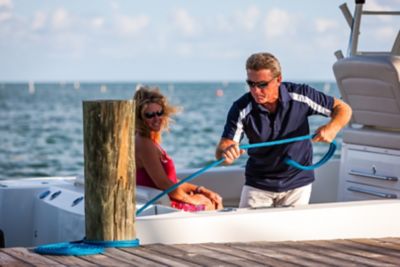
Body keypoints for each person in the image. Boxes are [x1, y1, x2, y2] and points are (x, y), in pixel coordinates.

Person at [216, 52, 352, 208]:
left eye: (262, 85)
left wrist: (332, 128)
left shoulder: (301, 95)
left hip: (297, 183)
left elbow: (343, 108)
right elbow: (222, 149)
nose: (256, 91)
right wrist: (227, 154)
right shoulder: (241, 108)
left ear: (278, 79)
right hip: (258, 184)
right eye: (251, 84)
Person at [134, 85, 223, 211]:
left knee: (210, 198)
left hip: (165, 200)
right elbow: (163, 183)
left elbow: (171, 180)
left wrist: (200, 190)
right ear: (140, 118)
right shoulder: (144, 143)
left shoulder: (149, 140)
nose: (156, 119)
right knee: (210, 204)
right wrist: (194, 200)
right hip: (164, 205)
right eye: (150, 115)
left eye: (159, 113)